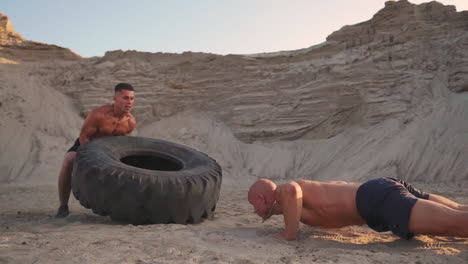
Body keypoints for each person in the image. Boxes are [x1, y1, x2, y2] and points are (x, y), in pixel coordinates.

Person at [248, 177, 468, 240]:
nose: (254, 210)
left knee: (456, 225)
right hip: (379, 190)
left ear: (261, 196)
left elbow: (292, 192)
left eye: (253, 204)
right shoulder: (296, 205)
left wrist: (290, 234)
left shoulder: (286, 190)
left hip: (377, 200)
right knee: (459, 210)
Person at [56, 83, 136, 218]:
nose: (129, 102)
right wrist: (91, 159)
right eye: (125, 98)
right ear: (115, 98)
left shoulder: (130, 122)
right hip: (88, 145)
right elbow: (84, 137)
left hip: (108, 150)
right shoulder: (98, 115)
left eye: (132, 99)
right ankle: (63, 206)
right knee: (68, 161)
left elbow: (123, 144)